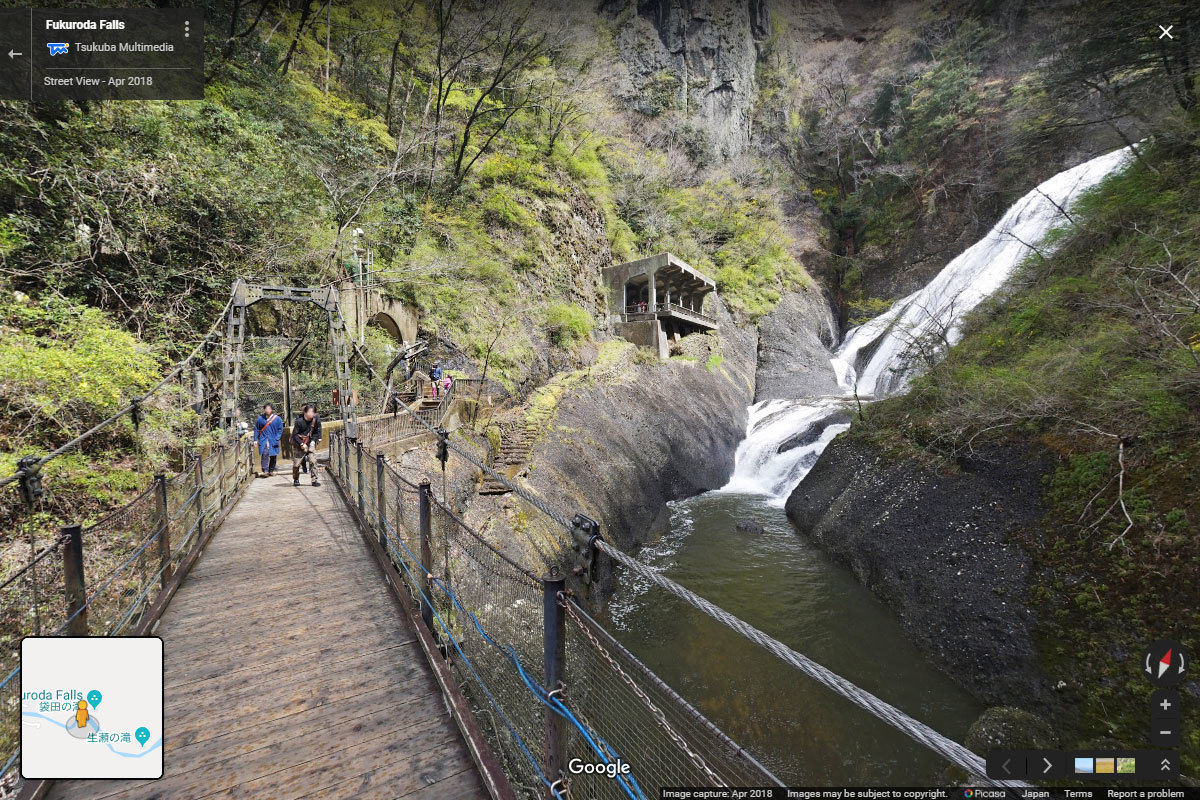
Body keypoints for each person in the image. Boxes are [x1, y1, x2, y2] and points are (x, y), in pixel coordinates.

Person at [291, 404, 322, 487]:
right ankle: (296, 479)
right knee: (297, 464)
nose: (312, 414)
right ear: (305, 412)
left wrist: (313, 441)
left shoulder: (315, 420)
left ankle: (314, 480)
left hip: (309, 442)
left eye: (313, 412)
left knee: (313, 461)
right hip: (299, 444)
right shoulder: (299, 421)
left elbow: (316, 432)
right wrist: (301, 444)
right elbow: (294, 434)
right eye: (310, 412)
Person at [254, 403, 283, 477]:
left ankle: (271, 470)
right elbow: (256, 429)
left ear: (272, 409)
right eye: (266, 409)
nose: (268, 410)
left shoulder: (277, 419)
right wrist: (255, 439)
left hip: (273, 440)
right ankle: (265, 470)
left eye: (269, 409)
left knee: (273, 455)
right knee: (265, 454)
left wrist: (277, 438)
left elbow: (280, 429)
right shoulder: (260, 419)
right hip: (264, 439)